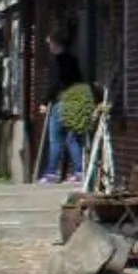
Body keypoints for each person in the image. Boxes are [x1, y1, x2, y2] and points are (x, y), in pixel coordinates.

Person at [39, 29, 86, 184]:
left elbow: (56, 84)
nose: (49, 47)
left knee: (55, 139)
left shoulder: (57, 62)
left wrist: (45, 102)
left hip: (61, 102)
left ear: (55, 43)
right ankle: (79, 171)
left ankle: (52, 172)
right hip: (75, 102)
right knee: (72, 139)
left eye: (49, 44)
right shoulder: (73, 60)